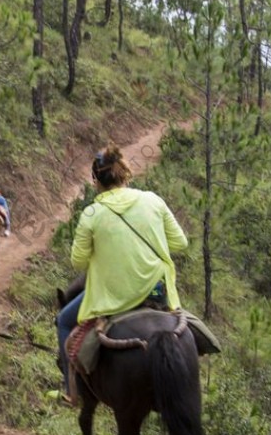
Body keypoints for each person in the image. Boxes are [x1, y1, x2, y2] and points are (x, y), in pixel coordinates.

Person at [55, 143, 189, 398]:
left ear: (96, 180)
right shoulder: (152, 200)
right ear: (125, 173)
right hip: (156, 292)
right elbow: (180, 243)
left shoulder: (91, 213)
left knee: (63, 321)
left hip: (112, 297)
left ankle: (70, 389)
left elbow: (78, 262)